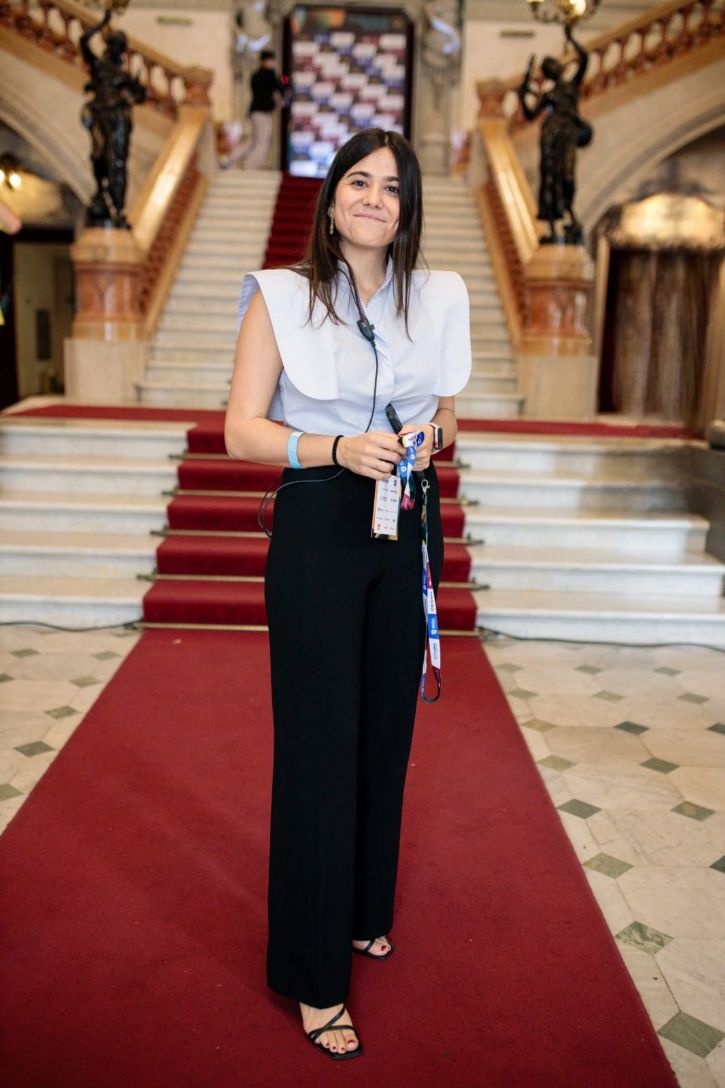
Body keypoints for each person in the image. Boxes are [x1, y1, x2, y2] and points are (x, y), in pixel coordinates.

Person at [224, 127, 471, 1059]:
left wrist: (427, 439)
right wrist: (333, 447)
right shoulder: (282, 297)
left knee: (383, 732)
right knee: (320, 749)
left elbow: (447, 412)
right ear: (332, 198)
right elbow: (240, 429)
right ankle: (312, 975)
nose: (374, 198)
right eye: (358, 181)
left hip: (401, 515)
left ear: (408, 208)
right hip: (320, 519)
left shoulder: (437, 297)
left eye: (392, 187)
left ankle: (365, 909)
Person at [518, 23, 592, 244]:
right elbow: (531, 115)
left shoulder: (572, 86)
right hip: (550, 135)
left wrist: (571, 37)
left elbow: (585, 58)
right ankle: (552, 227)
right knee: (550, 178)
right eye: (550, 67)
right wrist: (522, 96)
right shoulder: (547, 95)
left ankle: (571, 218)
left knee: (568, 176)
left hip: (567, 134)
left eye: (553, 65)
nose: (553, 69)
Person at [79, 8, 146, 227]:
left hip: (119, 116)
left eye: (120, 45)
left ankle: (118, 208)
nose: (117, 49)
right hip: (100, 114)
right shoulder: (98, 66)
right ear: (109, 46)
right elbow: (83, 40)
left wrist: (137, 87)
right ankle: (101, 192)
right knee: (98, 155)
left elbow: (141, 98)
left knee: (117, 162)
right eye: (114, 44)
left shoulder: (124, 75)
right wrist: (102, 23)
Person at [225, 49, 283, 170]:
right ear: (265, 61)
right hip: (263, 112)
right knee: (262, 142)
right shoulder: (269, 74)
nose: (272, 63)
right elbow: (278, 90)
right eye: (270, 60)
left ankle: (230, 159)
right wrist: (277, 102)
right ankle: (250, 166)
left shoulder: (256, 75)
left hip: (255, 111)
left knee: (253, 140)